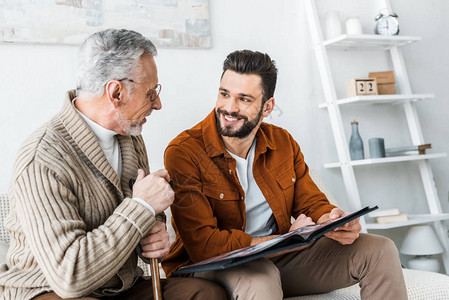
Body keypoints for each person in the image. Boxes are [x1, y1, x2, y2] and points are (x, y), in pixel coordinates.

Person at [162, 50, 408, 299]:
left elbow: (311, 202)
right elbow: (204, 245)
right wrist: (283, 240)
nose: (229, 107)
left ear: (267, 106)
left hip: (278, 256)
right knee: (261, 276)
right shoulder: (184, 152)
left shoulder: (282, 143)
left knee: (380, 249)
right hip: (210, 266)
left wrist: (332, 220)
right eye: (224, 94)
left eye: (244, 99)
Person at [0, 29, 226, 300]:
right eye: (150, 92)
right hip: (50, 291)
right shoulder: (42, 159)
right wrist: (141, 208)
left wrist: (155, 230)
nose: (158, 103)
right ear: (116, 92)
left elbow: (145, 212)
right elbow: (70, 277)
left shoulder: (130, 136)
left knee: (206, 293)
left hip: (118, 287)